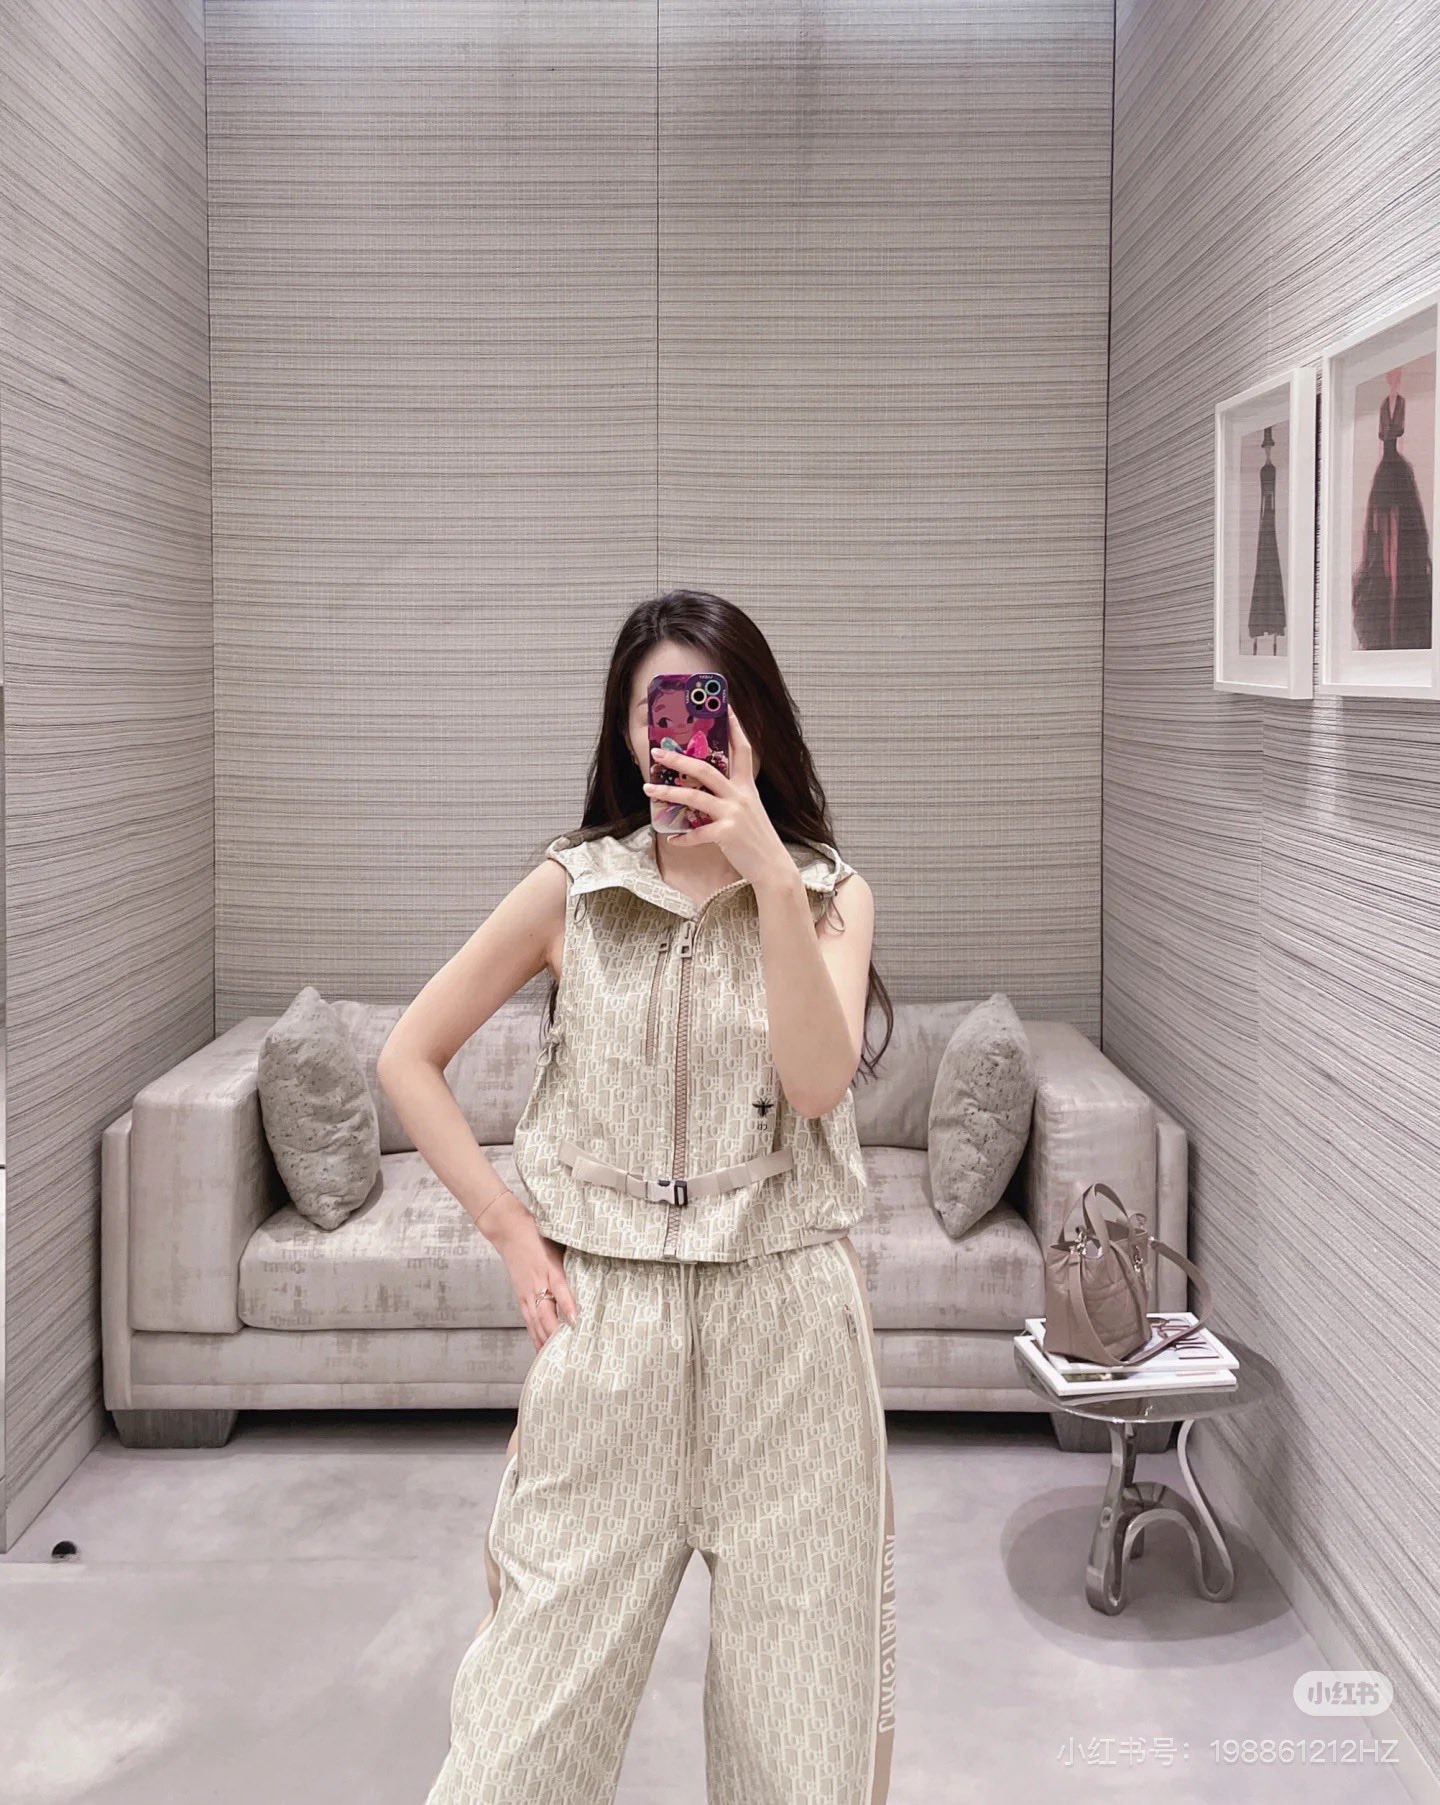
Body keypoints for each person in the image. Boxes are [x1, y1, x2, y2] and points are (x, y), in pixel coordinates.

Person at [378, 588, 897, 1805]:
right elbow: (408, 1054)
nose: (686, 736)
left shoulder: (830, 893)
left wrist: (768, 875)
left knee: (800, 1757)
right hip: (609, 1334)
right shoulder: (573, 888)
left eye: (711, 706)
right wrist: (512, 1230)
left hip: (790, 1341)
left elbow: (816, 1082)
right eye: (659, 709)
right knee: (518, 1748)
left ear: (754, 723)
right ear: (626, 731)